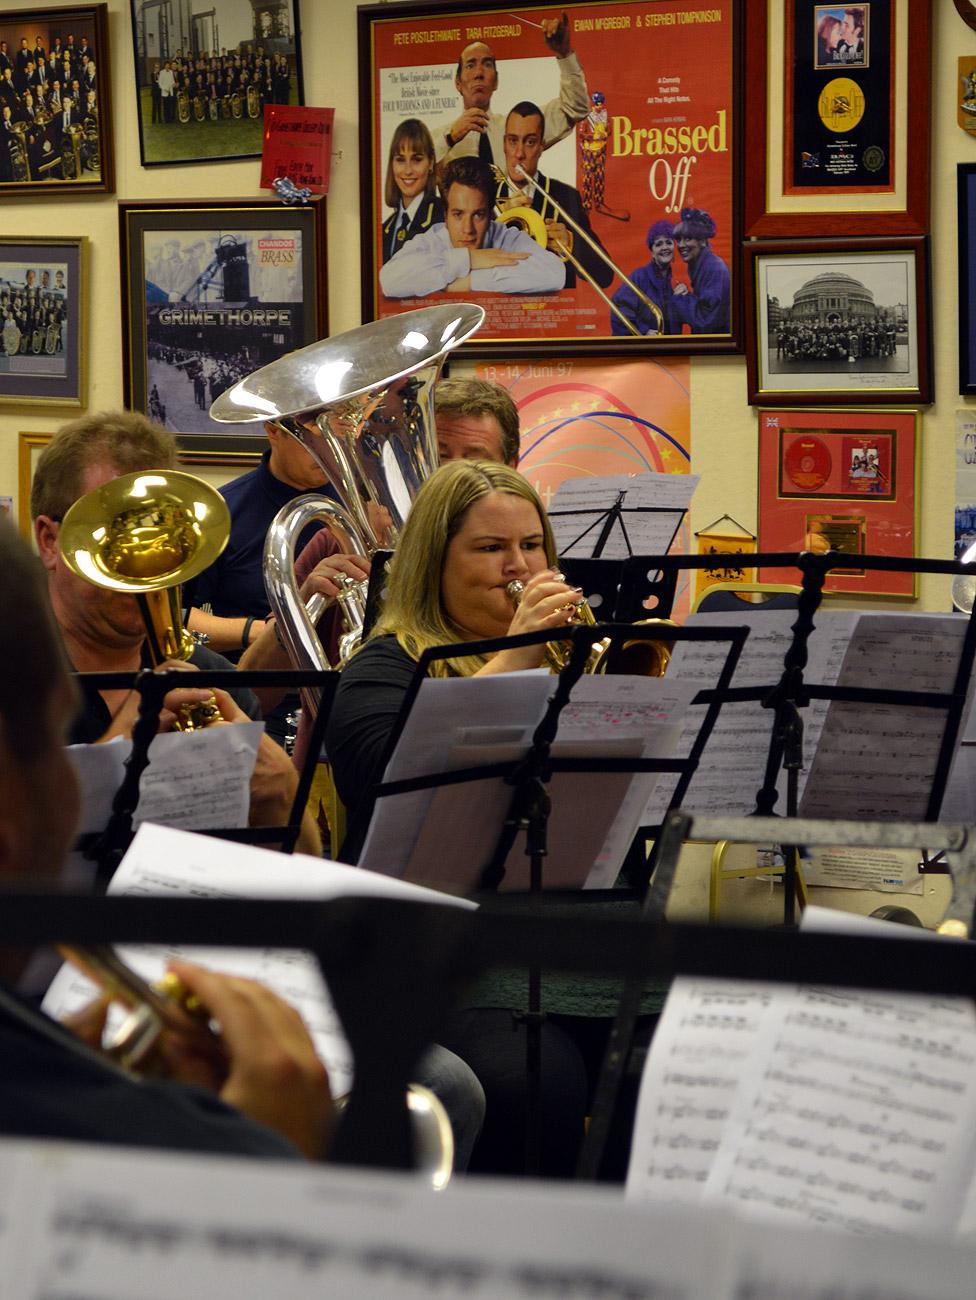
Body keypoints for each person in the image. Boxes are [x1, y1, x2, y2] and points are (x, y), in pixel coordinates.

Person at [325, 461, 658, 1177]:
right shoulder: (383, 668)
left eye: (533, 545)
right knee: (536, 1083)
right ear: (431, 562)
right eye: (490, 549)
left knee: (675, 1072)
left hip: (589, 934)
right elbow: (384, 775)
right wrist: (517, 653)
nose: (519, 566)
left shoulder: (581, 659)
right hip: (451, 954)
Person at [0, 514, 334, 1160]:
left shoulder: (211, 675)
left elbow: (289, 875)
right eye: (48, 742)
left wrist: (278, 796)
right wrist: (269, 1159)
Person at [30, 410, 321, 855]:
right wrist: (114, 760)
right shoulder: (14, 677)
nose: (147, 560)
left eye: (164, 531)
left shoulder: (213, 679)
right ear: (50, 541)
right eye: (115, 537)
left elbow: (299, 868)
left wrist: (281, 791)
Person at [380, 156, 564, 298]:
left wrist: (466, 282)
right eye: (458, 215)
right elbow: (389, 281)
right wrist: (470, 258)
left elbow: (555, 274)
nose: (468, 229)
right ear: (445, 215)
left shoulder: (507, 237)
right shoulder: (431, 239)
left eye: (478, 215)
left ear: (490, 215)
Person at [433, 15, 588, 168]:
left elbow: (575, 108)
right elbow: (413, 174)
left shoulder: (519, 129)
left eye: (487, 64)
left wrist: (565, 54)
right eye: (470, 65)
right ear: (458, 83)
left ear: (496, 82)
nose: (479, 73)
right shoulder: (436, 139)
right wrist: (450, 139)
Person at [496, 100, 612, 292]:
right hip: (503, 315)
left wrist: (571, 242)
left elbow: (605, 275)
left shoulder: (566, 197)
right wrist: (498, 226)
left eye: (530, 142)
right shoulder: (485, 196)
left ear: (541, 147)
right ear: (504, 144)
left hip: (554, 314)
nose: (519, 153)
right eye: (513, 141)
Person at [381, 119, 444, 264]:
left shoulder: (444, 217)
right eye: (400, 160)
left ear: (430, 162)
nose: (408, 170)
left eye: (416, 160)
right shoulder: (384, 229)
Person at [610, 219, 677, 336]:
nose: (665, 247)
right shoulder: (639, 277)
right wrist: (643, 331)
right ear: (652, 251)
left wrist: (682, 298)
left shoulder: (673, 282)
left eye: (668, 242)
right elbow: (618, 310)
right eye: (659, 244)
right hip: (640, 349)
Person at [671, 207, 730, 335]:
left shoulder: (714, 268)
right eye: (678, 239)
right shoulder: (701, 264)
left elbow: (707, 321)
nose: (681, 245)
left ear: (702, 241)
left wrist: (682, 298)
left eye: (688, 239)